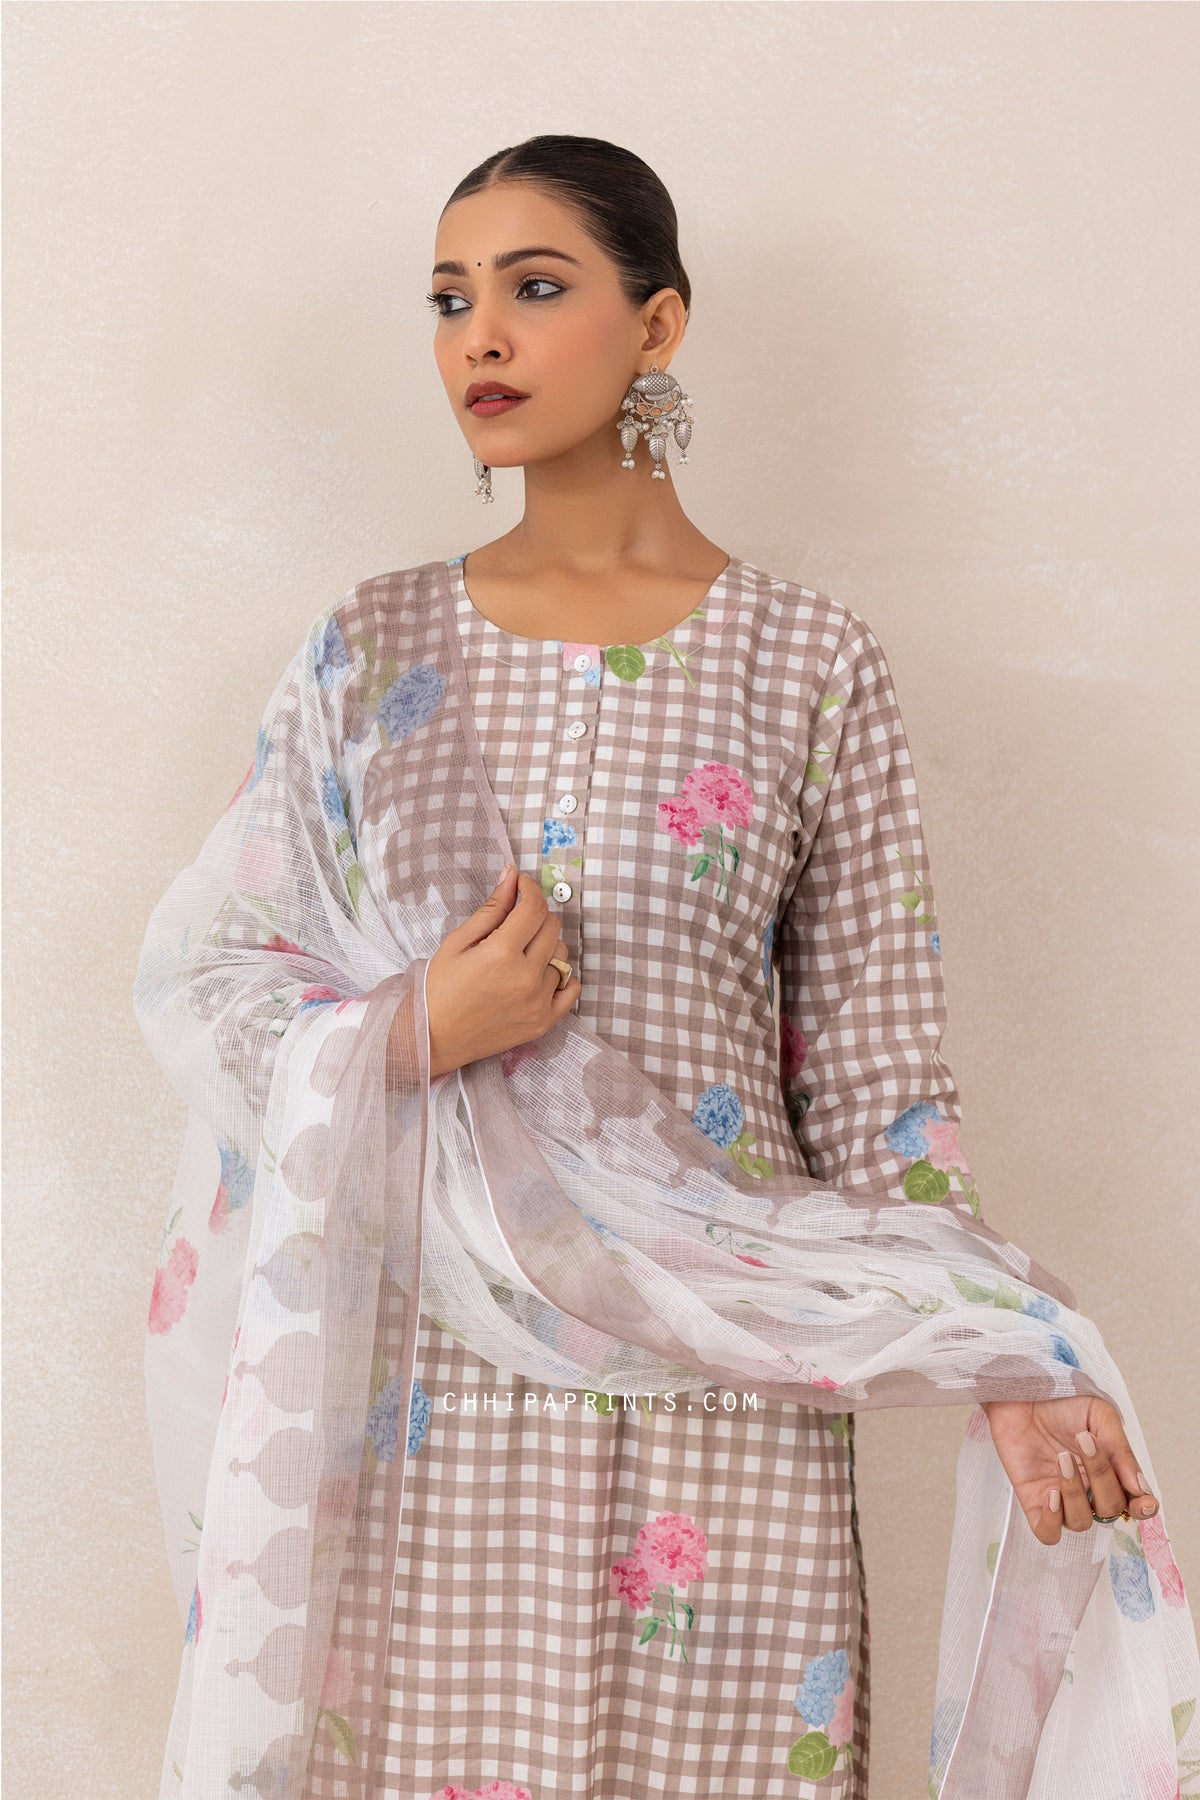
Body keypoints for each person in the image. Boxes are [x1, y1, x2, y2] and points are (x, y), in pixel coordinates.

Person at [137, 135, 1190, 1800]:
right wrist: (413, 1029)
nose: (480, 336)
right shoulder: (368, 652)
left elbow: (880, 1085)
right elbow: (219, 989)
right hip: (430, 1398)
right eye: (449, 299)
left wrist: (994, 1348)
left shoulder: (806, 660)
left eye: (534, 286)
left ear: (659, 323)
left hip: (722, 1407)